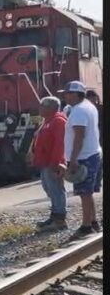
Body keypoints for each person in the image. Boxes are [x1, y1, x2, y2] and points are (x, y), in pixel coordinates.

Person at [59, 81, 102, 236]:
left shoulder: (79, 111)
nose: (65, 96)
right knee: (88, 192)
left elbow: (79, 136)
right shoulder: (89, 106)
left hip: (84, 157)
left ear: (77, 94)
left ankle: (86, 226)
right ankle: (93, 221)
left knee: (84, 193)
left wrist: (73, 159)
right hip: (92, 154)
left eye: (68, 93)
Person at [31, 96, 68, 230]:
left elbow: (60, 143)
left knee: (56, 189)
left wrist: (57, 162)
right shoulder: (47, 121)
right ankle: (54, 215)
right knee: (49, 188)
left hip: (52, 163)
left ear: (50, 108)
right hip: (45, 162)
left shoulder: (58, 121)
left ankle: (59, 219)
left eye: (42, 106)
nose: (39, 108)